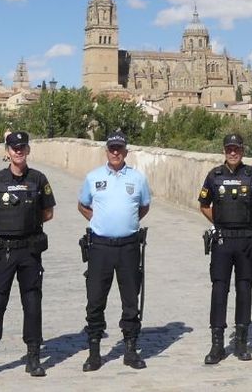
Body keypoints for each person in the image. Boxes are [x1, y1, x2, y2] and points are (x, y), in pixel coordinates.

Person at [0, 131, 56, 380]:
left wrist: (26, 222)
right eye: (14, 148)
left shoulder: (39, 180)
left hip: (29, 250)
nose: (18, 151)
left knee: (32, 303)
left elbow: (48, 213)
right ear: (7, 151)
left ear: (28, 150)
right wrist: (2, 223)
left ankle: (33, 356)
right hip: (4, 251)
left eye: (22, 147)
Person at [77, 131, 151, 372]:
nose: (116, 152)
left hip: (128, 246)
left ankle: (130, 350)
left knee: (131, 298)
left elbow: (144, 207)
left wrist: (127, 222)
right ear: (106, 151)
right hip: (100, 247)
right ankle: (94, 352)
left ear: (126, 151)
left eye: (119, 148)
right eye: (112, 148)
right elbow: (83, 204)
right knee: (95, 299)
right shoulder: (93, 177)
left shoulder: (138, 179)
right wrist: (98, 220)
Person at [198, 133, 252, 364]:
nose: (232, 152)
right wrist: (219, 222)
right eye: (229, 148)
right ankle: (217, 345)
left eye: (236, 149)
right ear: (224, 150)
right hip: (222, 241)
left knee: (244, 289)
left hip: (246, 241)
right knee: (219, 290)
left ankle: (241, 343)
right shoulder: (214, 176)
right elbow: (204, 205)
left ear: (242, 150)